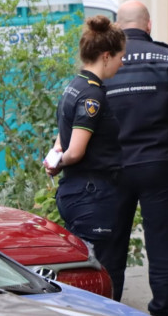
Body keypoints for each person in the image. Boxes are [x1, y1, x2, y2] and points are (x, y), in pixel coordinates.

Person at [100, 0, 168, 316]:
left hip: (113, 169)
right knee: (163, 248)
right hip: (161, 165)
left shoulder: (104, 65)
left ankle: (108, 308)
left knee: (111, 250)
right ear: (148, 25)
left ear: (117, 28)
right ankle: (163, 309)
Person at [44, 15, 126, 266]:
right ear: (106, 56)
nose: (121, 64)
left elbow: (63, 136)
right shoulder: (93, 95)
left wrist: (56, 155)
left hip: (77, 192)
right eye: (120, 57)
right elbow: (76, 150)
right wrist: (59, 162)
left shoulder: (74, 86)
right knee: (102, 270)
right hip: (93, 195)